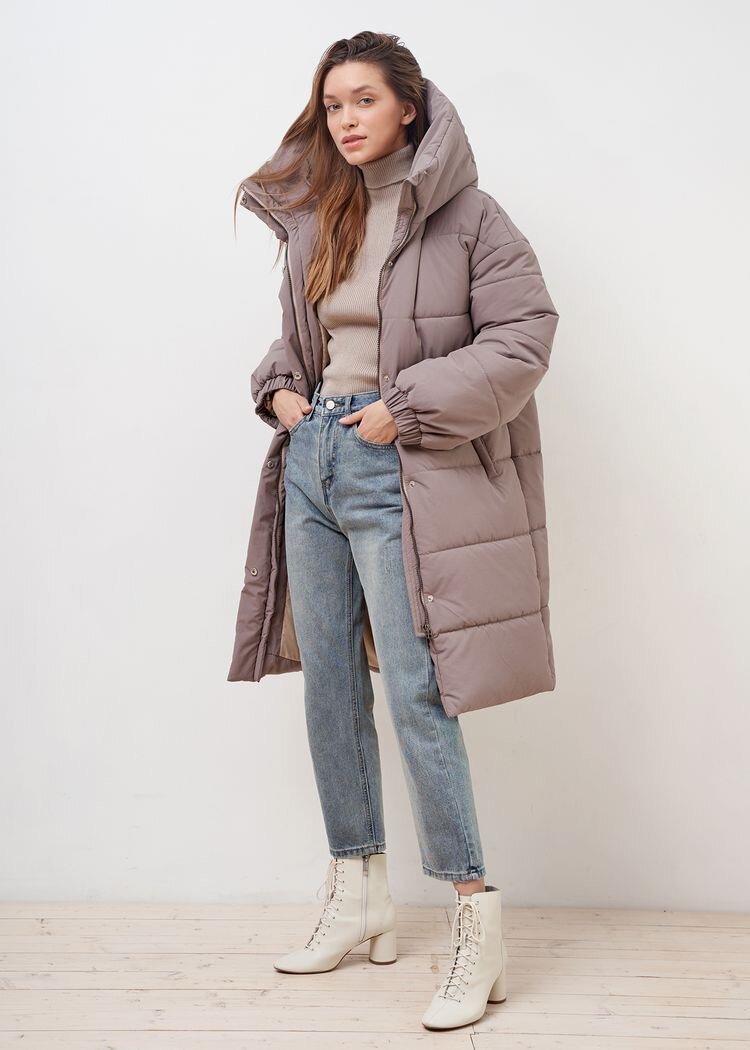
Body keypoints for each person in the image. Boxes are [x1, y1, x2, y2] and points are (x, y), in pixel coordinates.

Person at [230, 31, 559, 1031]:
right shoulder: (324, 213)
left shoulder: (471, 220)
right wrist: (280, 391)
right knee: (329, 684)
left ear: (410, 106)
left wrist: (402, 408)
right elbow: (305, 338)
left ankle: (474, 920)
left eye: (363, 100)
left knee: (417, 692)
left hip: (399, 465)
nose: (345, 120)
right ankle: (359, 893)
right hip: (314, 462)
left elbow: (524, 337)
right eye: (333, 104)